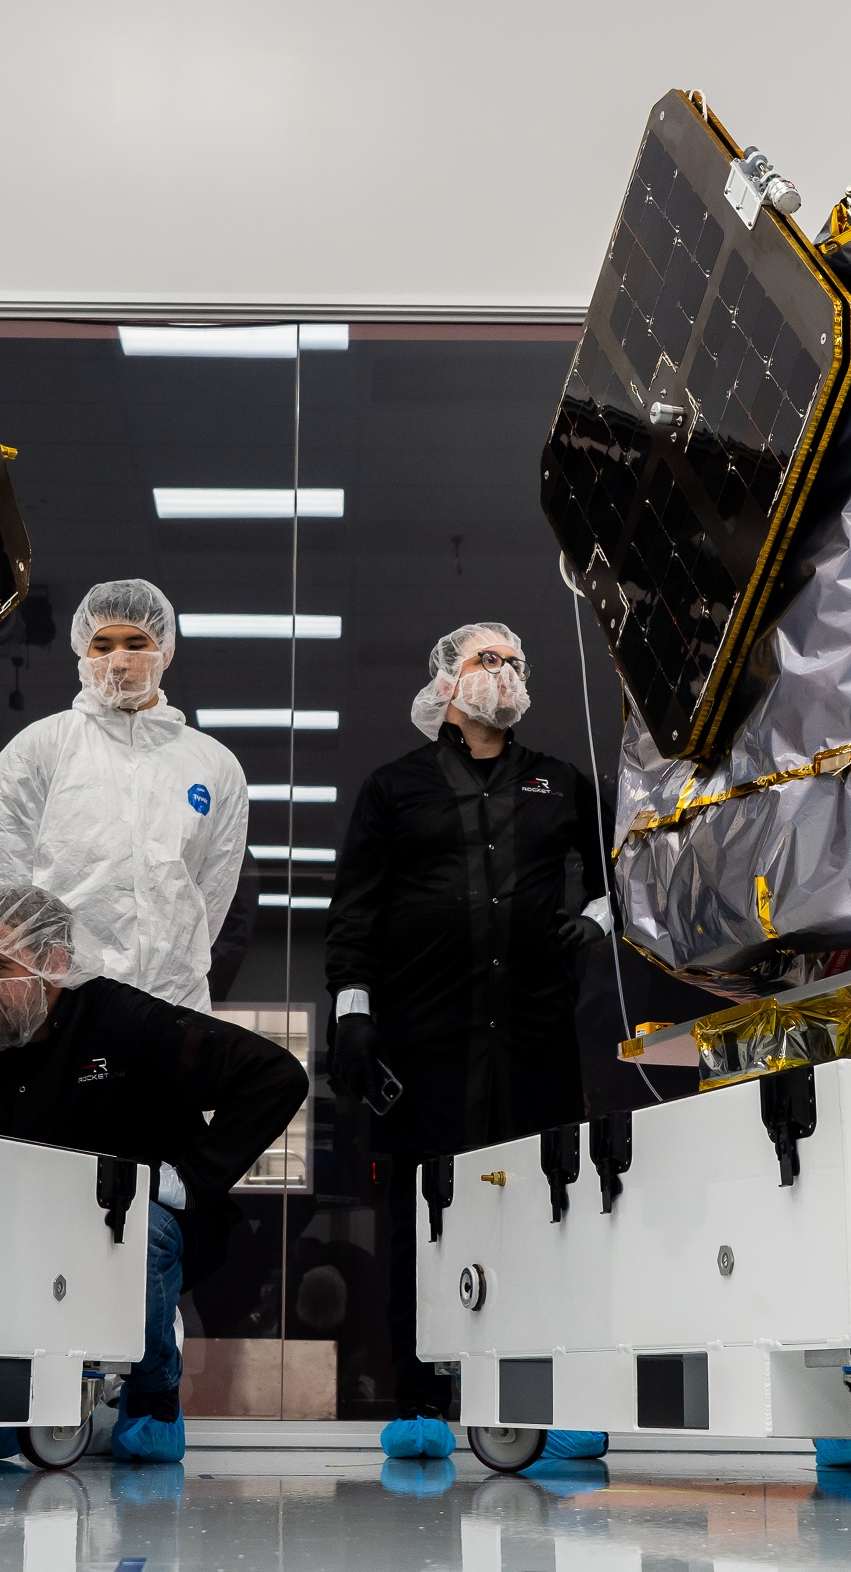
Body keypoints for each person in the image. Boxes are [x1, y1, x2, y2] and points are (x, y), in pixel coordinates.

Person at [0, 884, 307, 1465]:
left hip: (141, 1218)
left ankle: (153, 1395)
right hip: (34, 1213)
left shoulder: (127, 1023)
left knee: (146, 1231)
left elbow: (276, 1076)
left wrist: (187, 1178)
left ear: (55, 963)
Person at [323, 622, 612, 1462]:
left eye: (515, 660)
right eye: (486, 659)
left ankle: (541, 1398)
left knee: (538, 1209)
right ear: (446, 680)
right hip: (424, 1039)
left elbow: (614, 880)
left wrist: (589, 929)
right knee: (425, 1214)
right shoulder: (394, 789)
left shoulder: (561, 782)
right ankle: (419, 1399)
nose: (505, 671)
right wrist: (351, 1012)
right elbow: (354, 915)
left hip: (532, 1037)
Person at [0, 579, 249, 1010]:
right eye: (102, 645)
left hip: (174, 1000)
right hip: (63, 998)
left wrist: (172, 962)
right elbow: (3, 876)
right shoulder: (40, 748)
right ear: (83, 652)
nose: (118, 660)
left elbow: (212, 894)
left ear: (166, 652)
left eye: (136, 643)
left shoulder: (214, 765)